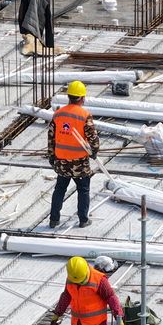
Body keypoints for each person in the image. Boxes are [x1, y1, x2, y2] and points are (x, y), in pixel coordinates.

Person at [48, 80, 100, 229]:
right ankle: (83, 220)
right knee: (83, 190)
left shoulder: (58, 114)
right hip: (79, 162)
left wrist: (51, 156)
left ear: (68, 96)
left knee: (59, 190)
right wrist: (94, 151)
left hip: (61, 160)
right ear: (82, 98)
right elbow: (92, 137)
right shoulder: (84, 115)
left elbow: (51, 137)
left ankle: (54, 220)